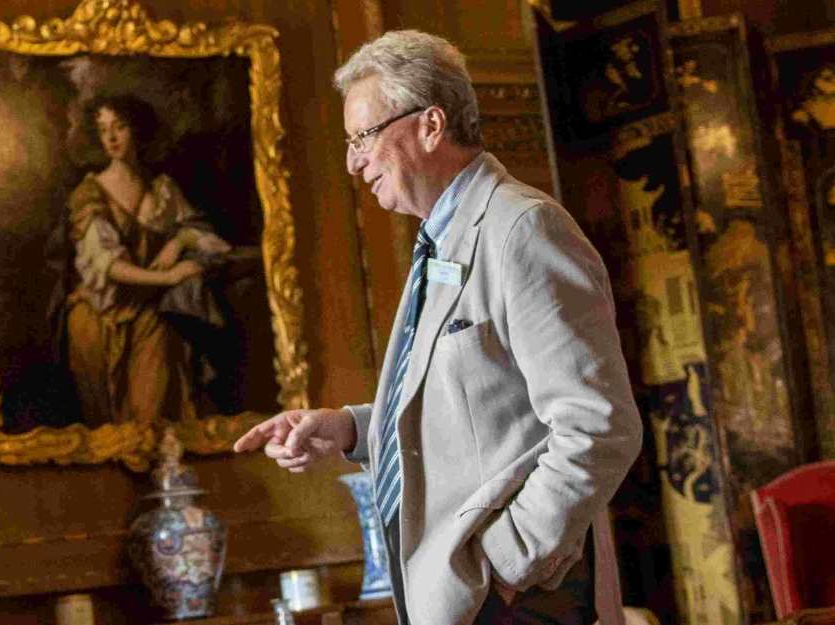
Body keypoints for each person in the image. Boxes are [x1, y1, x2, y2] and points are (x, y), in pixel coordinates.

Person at [232, 31, 642, 625]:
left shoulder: (522, 230)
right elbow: (475, 416)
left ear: (430, 124)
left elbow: (599, 426)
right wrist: (350, 430)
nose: (353, 161)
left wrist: (506, 564)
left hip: (521, 601)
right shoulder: (441, 240)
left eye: (365, 137)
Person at [62, 94, 232, 427]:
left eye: (119, 127)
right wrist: (169, 278)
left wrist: (179, 241)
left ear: (137, 130)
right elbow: (107, 265)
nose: (111, 138)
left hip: (148, 312)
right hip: (100, 314)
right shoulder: (90, 193)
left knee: (155, 411)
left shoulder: (163, 189)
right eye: (103, 130)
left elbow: (212, 242)